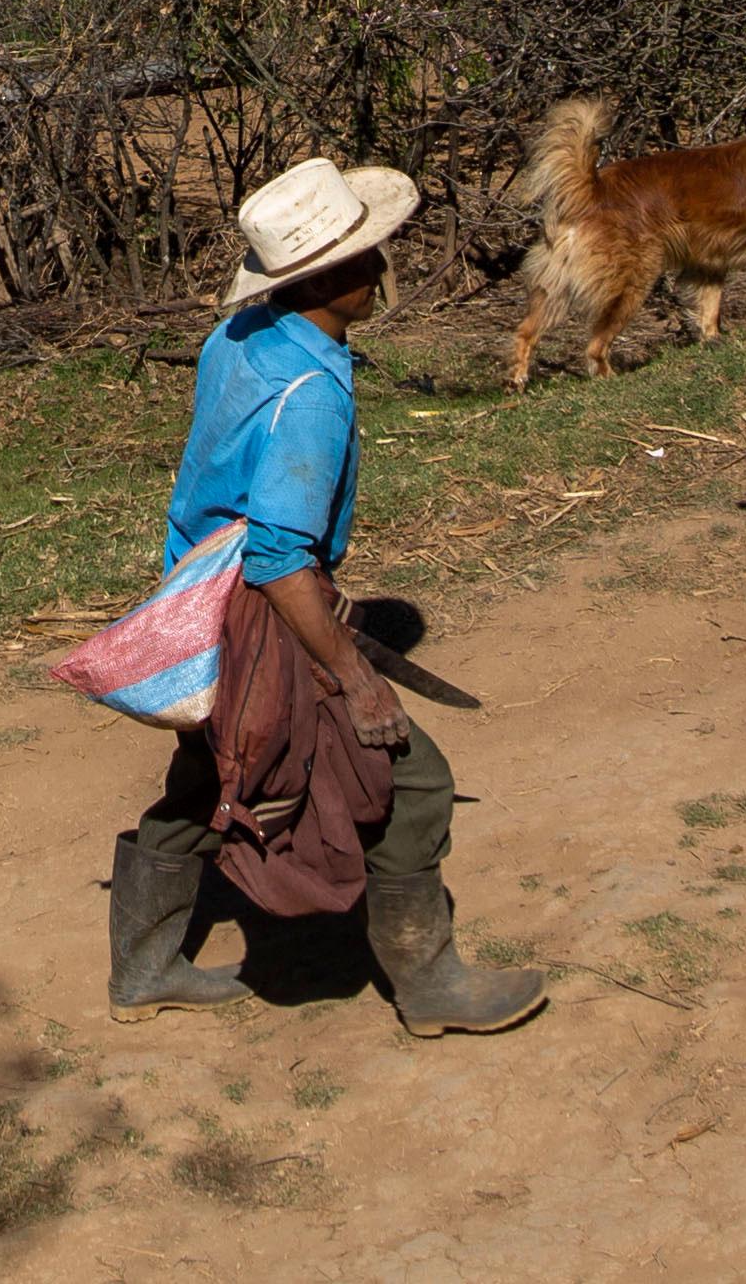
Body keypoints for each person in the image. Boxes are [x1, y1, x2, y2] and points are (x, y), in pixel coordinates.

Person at [106, 156, 552, 1035]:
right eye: (370, 255)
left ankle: (144, 965)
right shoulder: (312, 394)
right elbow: (279, 559)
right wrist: (354, 672)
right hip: (263, 609)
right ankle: (429, 986)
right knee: (414, 783)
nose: (383, 270)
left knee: (209, 778)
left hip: (197, 596)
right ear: (333, 278)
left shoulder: (239, 338)